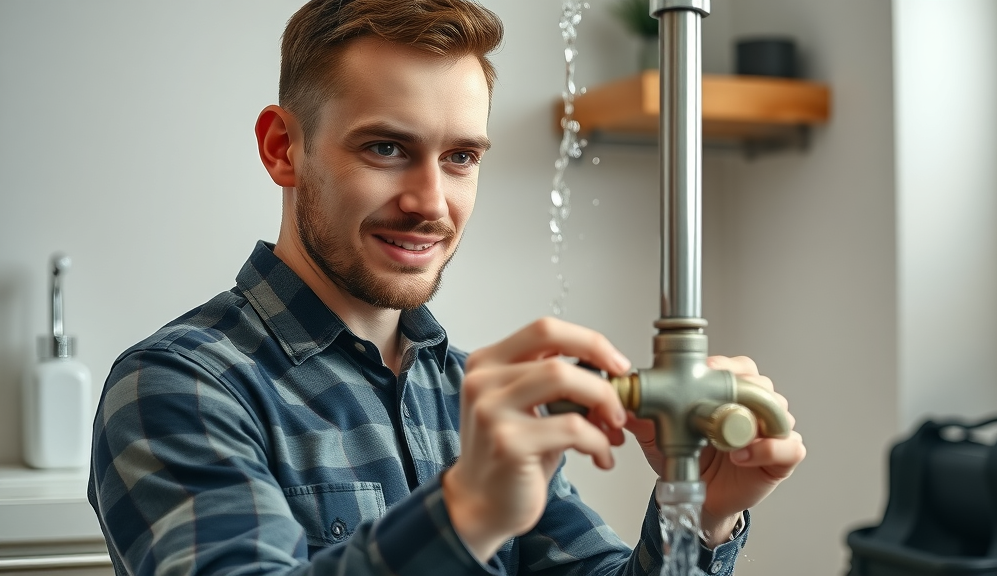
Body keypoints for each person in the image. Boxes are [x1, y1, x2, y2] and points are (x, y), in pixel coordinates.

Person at [88, 1, 806, 575]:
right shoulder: (176, 388)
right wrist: (463, 514)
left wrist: (701, 515)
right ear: (284, 148)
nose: (431, 201)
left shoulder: (473, 396)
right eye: (386, 148)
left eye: (460, 156)